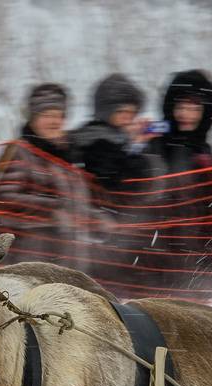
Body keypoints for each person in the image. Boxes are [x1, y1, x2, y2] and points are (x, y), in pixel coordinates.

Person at [0, 82, 96, 272]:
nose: (54, 121)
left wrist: (97, 219)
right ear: (32, 119)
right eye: (46, 115)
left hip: (69, 265)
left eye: (58, 115)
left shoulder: (67, 156)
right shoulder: (21, 153)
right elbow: (2, 201)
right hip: (30, 264)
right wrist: (52, 209)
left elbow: (77, 205)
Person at [71, 73, 156, 292]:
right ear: (106, 110)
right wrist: (135, 147)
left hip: (119, 233)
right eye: (121, 111)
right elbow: (117, 180)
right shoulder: (96, 140)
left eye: (132, 112)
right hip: (102, 234)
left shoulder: (116, 139)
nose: (128, 117)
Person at [143, 69, 212, 295]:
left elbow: (211, 206)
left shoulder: (206, 150)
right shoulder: (157, 145)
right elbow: (148, 195)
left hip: (199, 252)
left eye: (195, 109)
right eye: (182, 107)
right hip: (162, 254)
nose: (187, 114)